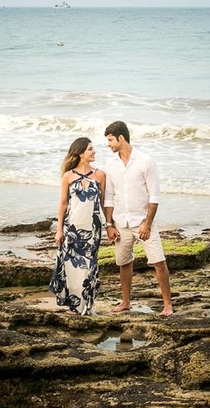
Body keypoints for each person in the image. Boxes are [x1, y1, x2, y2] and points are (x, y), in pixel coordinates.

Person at [102, 121, 173, 316]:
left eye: (110, 140)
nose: (108, 144)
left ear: (121, 138)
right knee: (124, 263)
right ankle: (125, 302)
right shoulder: (110, 164)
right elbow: (108, 196)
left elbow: (154, 196)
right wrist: (109, 225)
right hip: (120, 223)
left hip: (143, 222)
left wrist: (147, 223)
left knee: (158, 261)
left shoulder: (145, 161)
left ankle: (167, 305)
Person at [49, 137, 108, 315]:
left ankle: (87, 306)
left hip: (92, 229)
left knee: (89, 267)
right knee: (71, 266)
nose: (94, 151)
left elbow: (104, 204)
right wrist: (59, 230)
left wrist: (110, 225)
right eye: (90, 149)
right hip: (71, 229)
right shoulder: (68, 176)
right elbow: (63, 204)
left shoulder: (100, 175)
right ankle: (74, 306)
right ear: (81, 153)